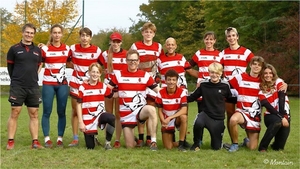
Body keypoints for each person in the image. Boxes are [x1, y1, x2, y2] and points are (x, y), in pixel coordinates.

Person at [107, 49, 160, 150]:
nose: (133, 62)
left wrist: (174, 92)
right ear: (126, 61)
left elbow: (158, 90)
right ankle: (135, 139)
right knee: (130, 147)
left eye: (135, 60)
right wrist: (114, 94)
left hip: (140, 110)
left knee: (151, 110)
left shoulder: (145, 75)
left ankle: (153, 142)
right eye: (130, 60)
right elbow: (106, 89)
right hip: (126, 115)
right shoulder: (118, 75)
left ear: (139, 61)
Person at [6, 23, 43, 150]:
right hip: (18, 86)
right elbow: (10, 68)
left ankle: (35, 142)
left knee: (34, 114)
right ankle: (10, 140)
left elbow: (39, 66)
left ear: (34, 35)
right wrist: (17, 80)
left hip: (33, 86)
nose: (29, 35)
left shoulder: (38, 51)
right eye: (27, 32)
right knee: (15, 112)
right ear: (23, 33)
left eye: (32, 33)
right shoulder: (14, 49)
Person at [130, 22, 163, 147]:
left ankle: (150, 137)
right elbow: (132, 61)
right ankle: (140, 137)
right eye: (146, 32)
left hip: (153, 83)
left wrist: (159, 77)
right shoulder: (136, 45)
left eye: (151, 32)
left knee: (151, 109)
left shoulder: (158, 47)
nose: (148, 34)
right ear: (142, 33)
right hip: (139, 82)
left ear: (154, 34)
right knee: (140, 108)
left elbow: (160, 64)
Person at [157, 37, 193, 148]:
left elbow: (189, 71)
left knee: (183, 116)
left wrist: (204, 78)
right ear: (165, 46)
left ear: (176, 46)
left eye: (172, 44)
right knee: (168, 147)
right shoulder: (160, 60)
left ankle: (183, 141)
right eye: (168, 44)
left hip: (180, 92)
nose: (170, 46)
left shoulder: (181, 58)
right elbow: (156, 75)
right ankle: (171, 137)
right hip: (166, 94)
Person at [68, 27, 102, 147]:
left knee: (91, 110)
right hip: (76, 84)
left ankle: (93, 134)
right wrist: (74, 67)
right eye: (82, 35)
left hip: (90, 86)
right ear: (79, 37)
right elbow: (66, 60)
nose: (84, 38)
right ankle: (75, 138)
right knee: (75, 112)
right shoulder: (73, 48)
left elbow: (101, 66)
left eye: (87, 36)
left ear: (90, 38)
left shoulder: (97, 50)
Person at [219, 27, 254, 141]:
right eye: (229, 36)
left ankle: (250, 139)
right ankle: (234, 142)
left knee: (246, 114)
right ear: (226, 38)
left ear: (237, 37)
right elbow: (217, 68)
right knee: (230, 114)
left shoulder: (246, 52)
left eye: (233, 35)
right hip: (228, 87)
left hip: (242, 88)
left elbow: (257, 65)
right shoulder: (223, 53)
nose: (231, 38)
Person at [187, 62, 232, 151]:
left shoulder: (225, 85)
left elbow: (231, 99)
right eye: (212, 72)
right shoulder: (203, 84)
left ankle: (220, 143)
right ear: (209, 72)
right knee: (198, 123)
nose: (214, 75)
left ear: (221, 73)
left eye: (216, 73)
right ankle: (196, 144)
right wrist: (178, 98)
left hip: (218, 118)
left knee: (216, 147)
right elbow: (192, 97)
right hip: (205, 114)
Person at [188, 31, 222, 145]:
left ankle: (217, 135)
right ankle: (199, 139)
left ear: (215, 41)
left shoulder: (219, 54)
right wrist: (199, 76)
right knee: (201, 112)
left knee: (215, 110)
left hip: (215, 87)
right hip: (202, 88)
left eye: (211, 39)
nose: (209, 41)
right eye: (207, 39)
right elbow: (187, 67)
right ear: (204, 40)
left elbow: (223, 70)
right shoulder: (199, 53)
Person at [40, 24, 71, 148]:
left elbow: (73, 63)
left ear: (62, 34)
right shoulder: (45, 49)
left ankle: (60, 139)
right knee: (47, 111)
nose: (57, 35)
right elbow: (38, 66)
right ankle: (47, 138)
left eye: (59, 32)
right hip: (48, 84)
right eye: (54, 32)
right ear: (51, 34)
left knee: (61, 112)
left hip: (62, 85)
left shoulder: (67, 49)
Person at [227, 56, 264, 152]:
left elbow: (276, 82)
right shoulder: (241, 77)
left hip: (254, 115)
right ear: (250, 65)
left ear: (261, 68)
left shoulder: (263, 82)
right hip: (242, 111)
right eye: (254, 64)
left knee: (252, 148)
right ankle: (235, 144)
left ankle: (246, 141)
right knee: (233, 120)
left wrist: (284, 85)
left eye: (259, 65)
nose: (256, 67)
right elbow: (226, 85)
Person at [76, 63, 115, 150]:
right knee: (90, 147)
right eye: (93, 72)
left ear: (100, 74)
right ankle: (93, 137)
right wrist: (80, 122)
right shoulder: (83, 87)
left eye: (97, 72)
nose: (95, 74)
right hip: (88, 120)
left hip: (100, 115)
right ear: (89, 72)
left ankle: (107, 143)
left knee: (111, 118)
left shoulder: (103, 86)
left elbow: (113, 94)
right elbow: (78, 104)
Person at [98, 32, 127, 148]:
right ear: (110, 42)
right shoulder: (105, 54)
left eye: (118, 41)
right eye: (113, 41)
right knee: (109, 115)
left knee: (119, 114)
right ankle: (107, 139)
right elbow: (97, 67)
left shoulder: (126, 54)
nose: (115, 44)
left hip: (121, 88)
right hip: (108, 87)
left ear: (121, 42)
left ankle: (118, 139)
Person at [258, 64, 290, 152]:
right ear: (262, 75)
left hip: (284, 112)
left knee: (279, 148)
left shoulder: (279, 82)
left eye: (270, 73)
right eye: (265, 73)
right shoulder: (260, 89)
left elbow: (281, 99)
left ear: (273, 74)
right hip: (270, 115)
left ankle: (274, 145)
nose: (268, 75)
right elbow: (268, 107)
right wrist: (282, 117)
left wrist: (284, 116)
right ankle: (262, 147)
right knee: (277, 121)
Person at [155, 69, 188, 151]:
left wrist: (170, 117)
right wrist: (163, 121)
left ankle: (181, 144)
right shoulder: (160, 93)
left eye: (173, 80)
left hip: (176, 118)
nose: (171, 82)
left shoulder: (182, 92)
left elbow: (184, 110)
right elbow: (159, 110)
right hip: (166, 120)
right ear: (165, 81)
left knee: (183, 117)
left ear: (177, 81)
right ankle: (179, 142)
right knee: (168, 147)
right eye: (169, 79)